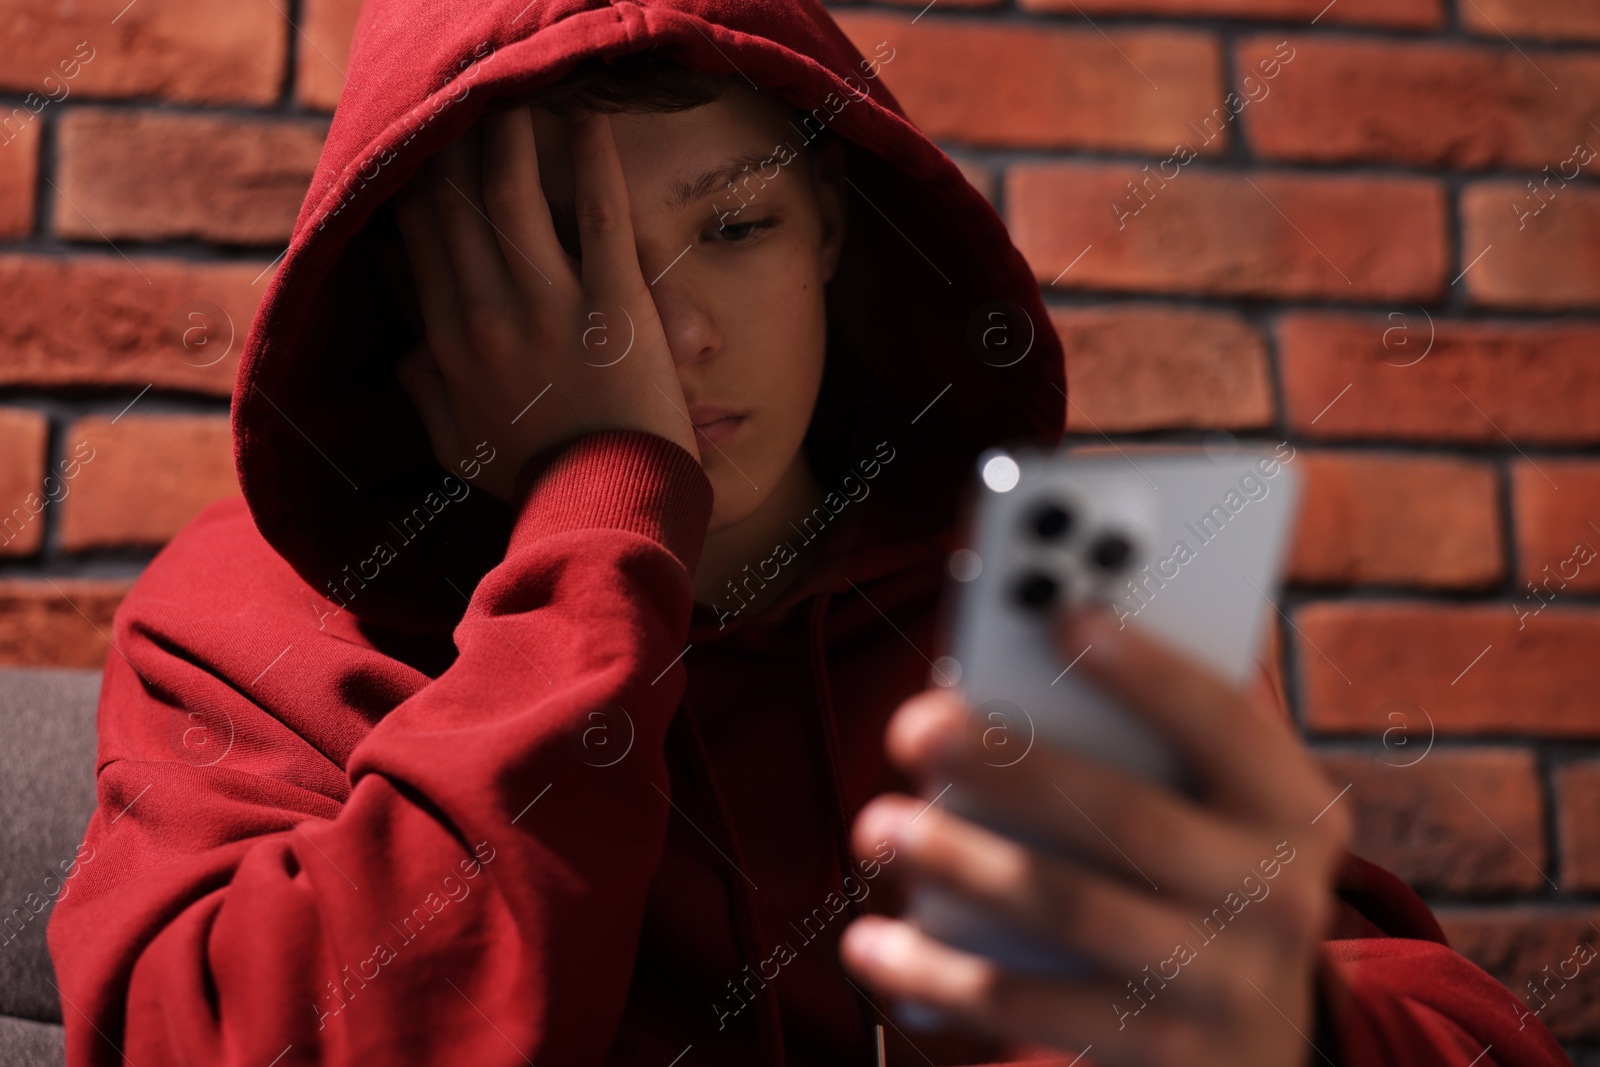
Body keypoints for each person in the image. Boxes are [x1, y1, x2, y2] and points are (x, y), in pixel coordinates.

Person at [45, 2, 1569, 1065]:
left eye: (735, 227)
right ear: (425, 297)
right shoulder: (251, 614)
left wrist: (1290, 1035)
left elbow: (1441, 1030)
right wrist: (603, 510)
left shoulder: (1044, 602)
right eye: (568, 258)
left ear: (833, 229)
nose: (664, 333)